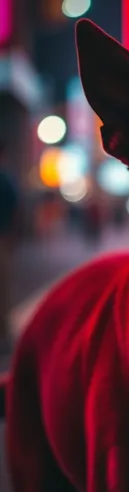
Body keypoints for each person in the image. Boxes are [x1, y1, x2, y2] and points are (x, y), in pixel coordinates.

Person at [0, 139, 20, 353]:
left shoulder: (5, 178)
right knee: (2, 287)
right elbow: (16, 208)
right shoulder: (6, 178)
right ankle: (4, 331)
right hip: (2, 237)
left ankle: (4, 331)